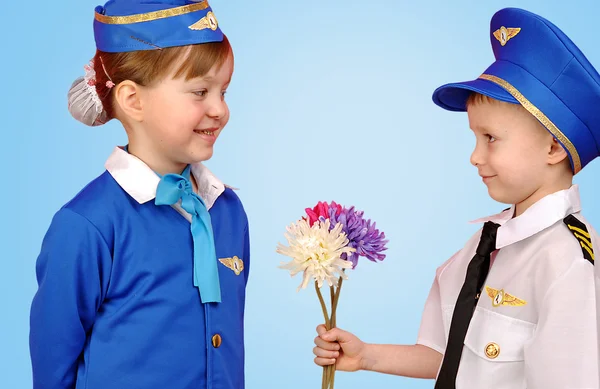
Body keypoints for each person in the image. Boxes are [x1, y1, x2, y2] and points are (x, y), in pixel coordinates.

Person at [313, 7, 600, 388]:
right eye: (475, 138)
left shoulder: (565, 261)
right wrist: (366, 355)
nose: (475, 156)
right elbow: (447, 353)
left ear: (552, 147)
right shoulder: (486, 243)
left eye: (491, 138)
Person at [29, 1, 250, 388]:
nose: (220, 109)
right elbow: (53, 366)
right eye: (200, 91)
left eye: (224, 90)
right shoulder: (88, 225)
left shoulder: (228, 210)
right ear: (133, 100)